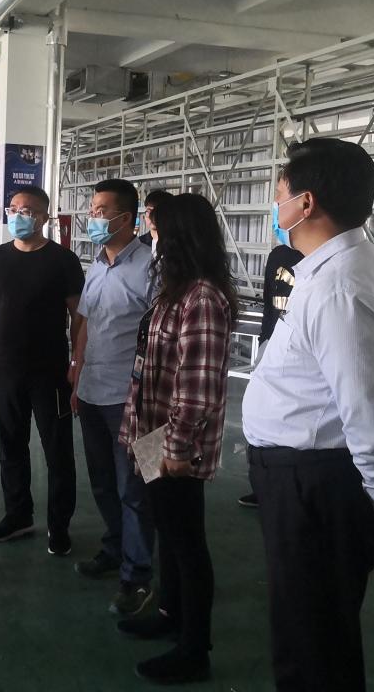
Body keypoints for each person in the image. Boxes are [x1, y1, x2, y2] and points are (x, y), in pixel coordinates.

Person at [242, 138, 374, 692]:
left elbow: (367, 407)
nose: (276, 204)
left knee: (313, 645)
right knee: (308, 630)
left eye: (280, 194)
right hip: (304, 478)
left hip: (316, 486)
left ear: (306, 203)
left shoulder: (339, 286)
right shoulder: (330, 269)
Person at [117, 193, 237, 684]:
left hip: (175, 445)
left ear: (180, 233)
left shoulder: (202, 298)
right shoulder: (175, 289)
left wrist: (176, 448)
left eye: (156, 226)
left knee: (188, 543)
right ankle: (169, 614)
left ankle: (194, 648)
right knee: (168, 533)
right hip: (153, 435)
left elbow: (197, 387)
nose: (152, 235)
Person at [0, 187, 85, 555]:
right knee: (11, 446)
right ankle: (18, 515)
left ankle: (59, 525)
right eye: (14, 208)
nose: (18, 216)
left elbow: (78, 317)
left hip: (50, 372)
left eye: (28, 210)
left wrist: (76, 363)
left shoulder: (63, 260)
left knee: (58, 451)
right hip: (5, 369)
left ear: (44, 217)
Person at [71, 177, 156, 618]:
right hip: (93, 391)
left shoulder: (150, 267)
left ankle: (137, 575)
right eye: (92, 210)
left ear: (126, 218)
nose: (94, 218)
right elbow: (85, 324)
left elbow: (161, 335)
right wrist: (76, 375)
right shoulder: (96, 266)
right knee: (103, 482)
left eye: (101, 211)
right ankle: (115, 547)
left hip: (131, 397)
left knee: (135, 489)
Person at [237, 243, 303, 509]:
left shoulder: (316, 258)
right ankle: (263, 487)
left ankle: (287, 489)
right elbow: (269, 303)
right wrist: (264, 340)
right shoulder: (278, 255)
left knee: (291, 421)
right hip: (272, 344)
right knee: (264, 417)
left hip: (296, 354)